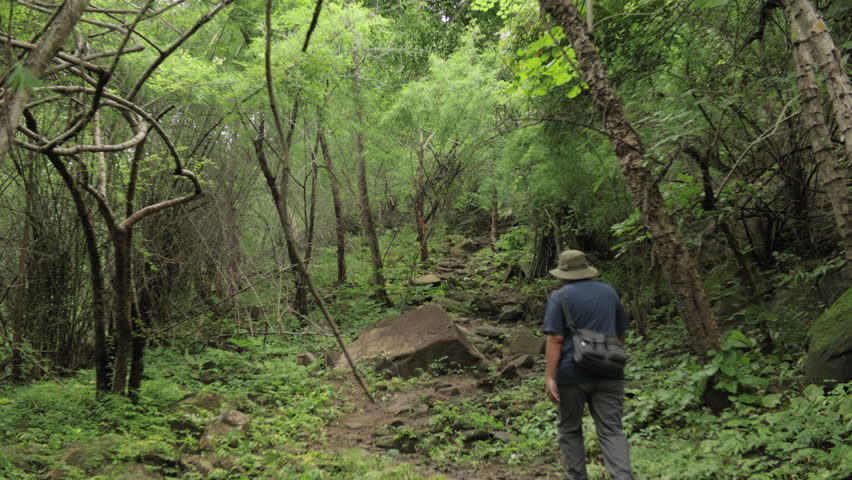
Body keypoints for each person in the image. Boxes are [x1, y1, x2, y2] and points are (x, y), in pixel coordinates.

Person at [542, 249, 633, 480]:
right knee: (612, 430)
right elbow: (620, 334)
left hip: (572, 375)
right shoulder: (609, 292)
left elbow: (555, 338)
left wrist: (550, 377)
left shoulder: (559, 297)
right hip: (610, 372)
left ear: (563, 273)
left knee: (570, 429)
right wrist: (607, 355)